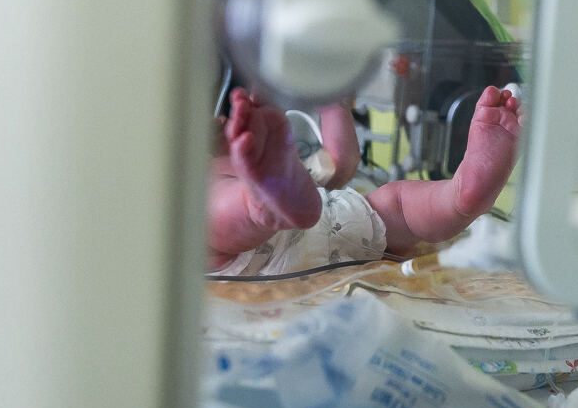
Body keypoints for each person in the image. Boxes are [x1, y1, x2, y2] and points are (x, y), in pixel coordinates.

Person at [207, 85, 521, 275]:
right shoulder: (191, 178)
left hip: (340, 225)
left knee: (396, 203)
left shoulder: (295, 182)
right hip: (247, 242)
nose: (222, 121)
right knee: (206, 209)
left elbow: (339, 164)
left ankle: (460, 196)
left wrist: (334, 104)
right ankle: (260, 202)